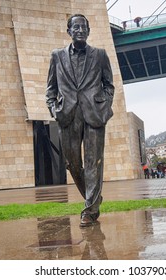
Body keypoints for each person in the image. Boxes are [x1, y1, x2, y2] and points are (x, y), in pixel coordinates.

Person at [46, 14, 115, 227]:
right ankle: (94, 199)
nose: (79, 30)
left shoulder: (100, 55)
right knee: (72, 163)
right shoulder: (57, 56)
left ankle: (89, 210)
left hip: (94, 114)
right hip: (68, 115)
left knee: (93, 163)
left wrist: (104, 106)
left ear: (88, 30)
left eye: (83, 27)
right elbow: (51, 88)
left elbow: (109, 84)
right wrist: (53, 108)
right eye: (75, 27)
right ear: (69, 31)